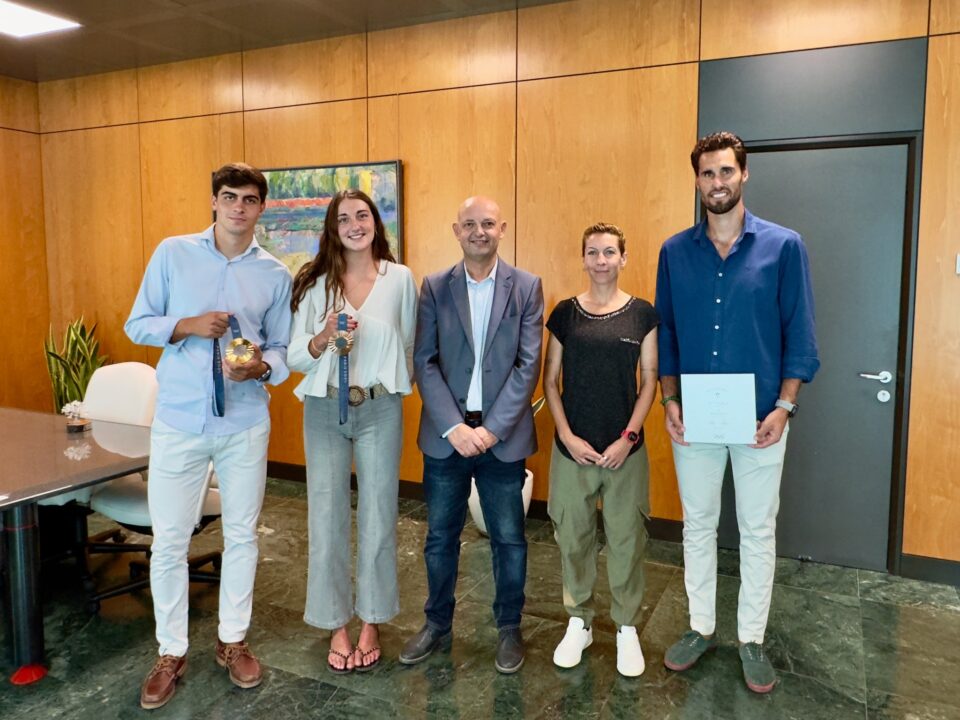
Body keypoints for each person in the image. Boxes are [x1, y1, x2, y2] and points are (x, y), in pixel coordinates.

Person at [655, 131, 819, 693]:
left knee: (756, 529)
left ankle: (751, 638)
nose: (717, 182)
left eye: (726, 171)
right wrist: (670, 399)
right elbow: (668, 334)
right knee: (697, 525)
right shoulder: (675, 252)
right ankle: (701, 628)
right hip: (693, 419)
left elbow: (800, 333)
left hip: (760, 422)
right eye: (707, 173)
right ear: (697, 179)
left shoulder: (784, 246)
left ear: (743, 174)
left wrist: (784, 407)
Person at [125, 162, 292, 710]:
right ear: (214, 202)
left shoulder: (274, 273)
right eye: (229, 197)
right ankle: (171, 652)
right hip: (179, 421)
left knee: (242, 535)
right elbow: (138, 323)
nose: (239, 207)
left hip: (243, 421)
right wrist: (187, 326)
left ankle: (232, 641)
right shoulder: (173, 253)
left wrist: (263, 369)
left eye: (249, 199)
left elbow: (282, 350)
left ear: (261, 208)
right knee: (169, 542)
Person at [400, 195, 543, 674]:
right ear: (455, 230)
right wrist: (455, 426)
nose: (478, 231)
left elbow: (528, 365)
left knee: (509, 540)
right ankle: (437, 624)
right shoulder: (435, 287)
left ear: (502, 228)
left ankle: (508, 628)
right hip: (448, 437)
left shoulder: (526, 287)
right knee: (440, 537)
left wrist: (493, 430)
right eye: (469, 224)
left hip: (502, 438)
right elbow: (425, 360)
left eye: (487, 223)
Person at [287, 189, 417, 674]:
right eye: (344, 218)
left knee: (380, 517)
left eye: (362, 215)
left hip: (380, 408)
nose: (354, 224)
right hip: (323, 409)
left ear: (375, 223)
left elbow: (409, 343)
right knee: (326, 517)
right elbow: (294, 355)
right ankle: (336, 624)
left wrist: (392, 387)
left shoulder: (400, 278)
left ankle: (372, 621)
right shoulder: (314, 282)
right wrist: (322, 338)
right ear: (332, 227)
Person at [543, 223, 659, 677]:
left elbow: (649, 380)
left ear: (623, 258)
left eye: (610, 252)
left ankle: (626, 627)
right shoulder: (565, 314)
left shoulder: (642, 314)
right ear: (584, 258)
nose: (601, 260)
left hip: (623, 450)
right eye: (593, 252)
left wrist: (627, 438)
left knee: (627, 537)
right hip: (572, 448)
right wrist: (567, 435)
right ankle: (579, 621)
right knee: (572, 536)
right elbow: (550, 380)